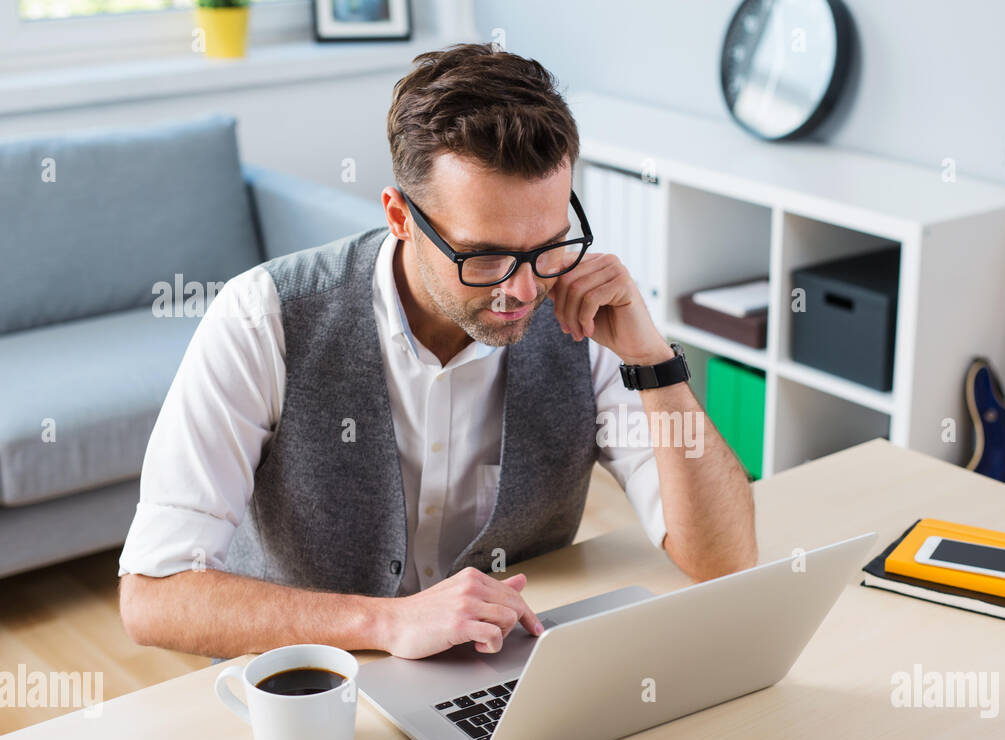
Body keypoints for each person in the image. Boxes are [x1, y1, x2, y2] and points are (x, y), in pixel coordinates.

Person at [117, 43, 756, 660]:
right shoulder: (263, 317)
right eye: (486, 256)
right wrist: (387, 621)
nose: (524, 289)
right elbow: (153, 596)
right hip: (318, 685)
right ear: (401, 216)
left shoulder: (583, 311)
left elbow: (724, 557)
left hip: (505, 673)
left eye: (547, 246)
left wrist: (655, 364)